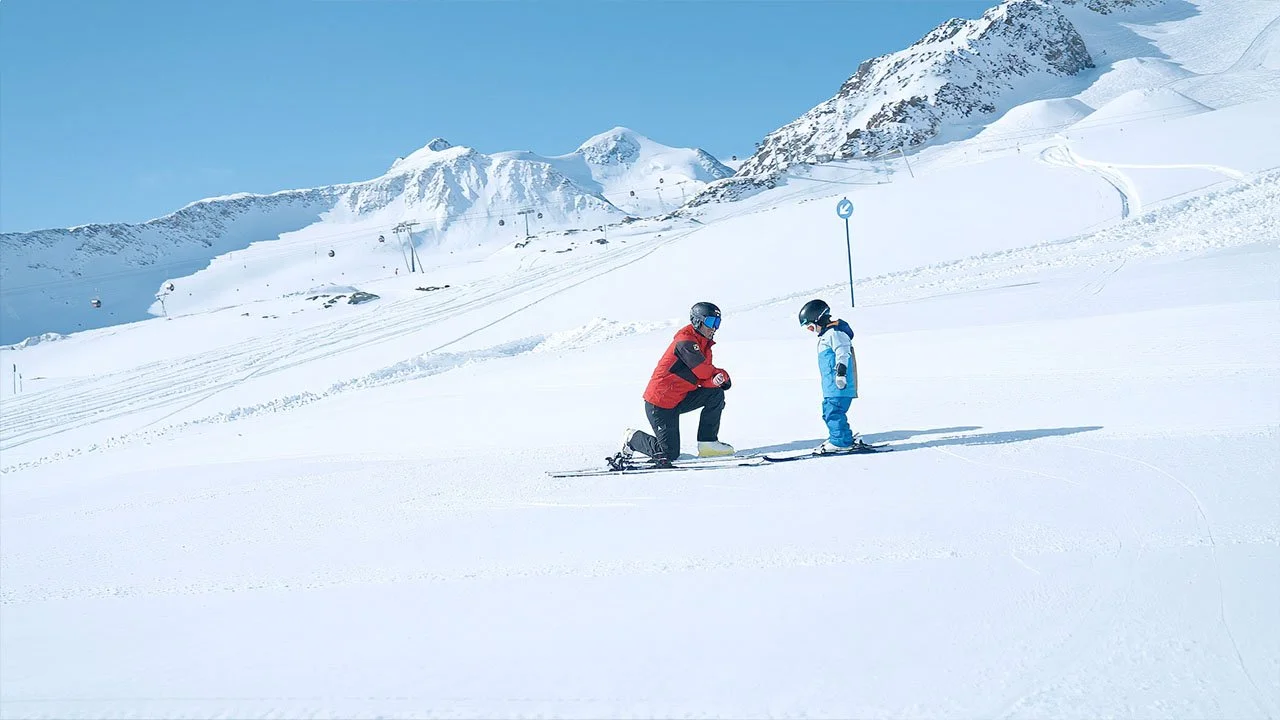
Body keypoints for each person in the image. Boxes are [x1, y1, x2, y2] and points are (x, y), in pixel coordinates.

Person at [612, 302, 735, 468]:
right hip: (660, 404)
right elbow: (703, 371)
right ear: (698, 321)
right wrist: (719, 376)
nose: (715, 328)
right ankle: (633, 438)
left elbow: (703, 379)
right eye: (711, 322)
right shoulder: (685, 342)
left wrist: (717, 380)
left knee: (715, 393)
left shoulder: (704, 345)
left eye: (717, 324)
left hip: (679, 398)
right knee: (669, 454)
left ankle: (708, 443)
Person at [798, 299, 860, 454]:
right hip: (832, 386)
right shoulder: (827, 335)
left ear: (819, 319)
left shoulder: (835, 333)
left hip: (839, 384)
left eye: (811, 326)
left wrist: (841, 374)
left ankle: (840, 442)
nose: (810, 330)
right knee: (831, 411)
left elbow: (843, 353)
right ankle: (841, 437)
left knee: (833, 412)